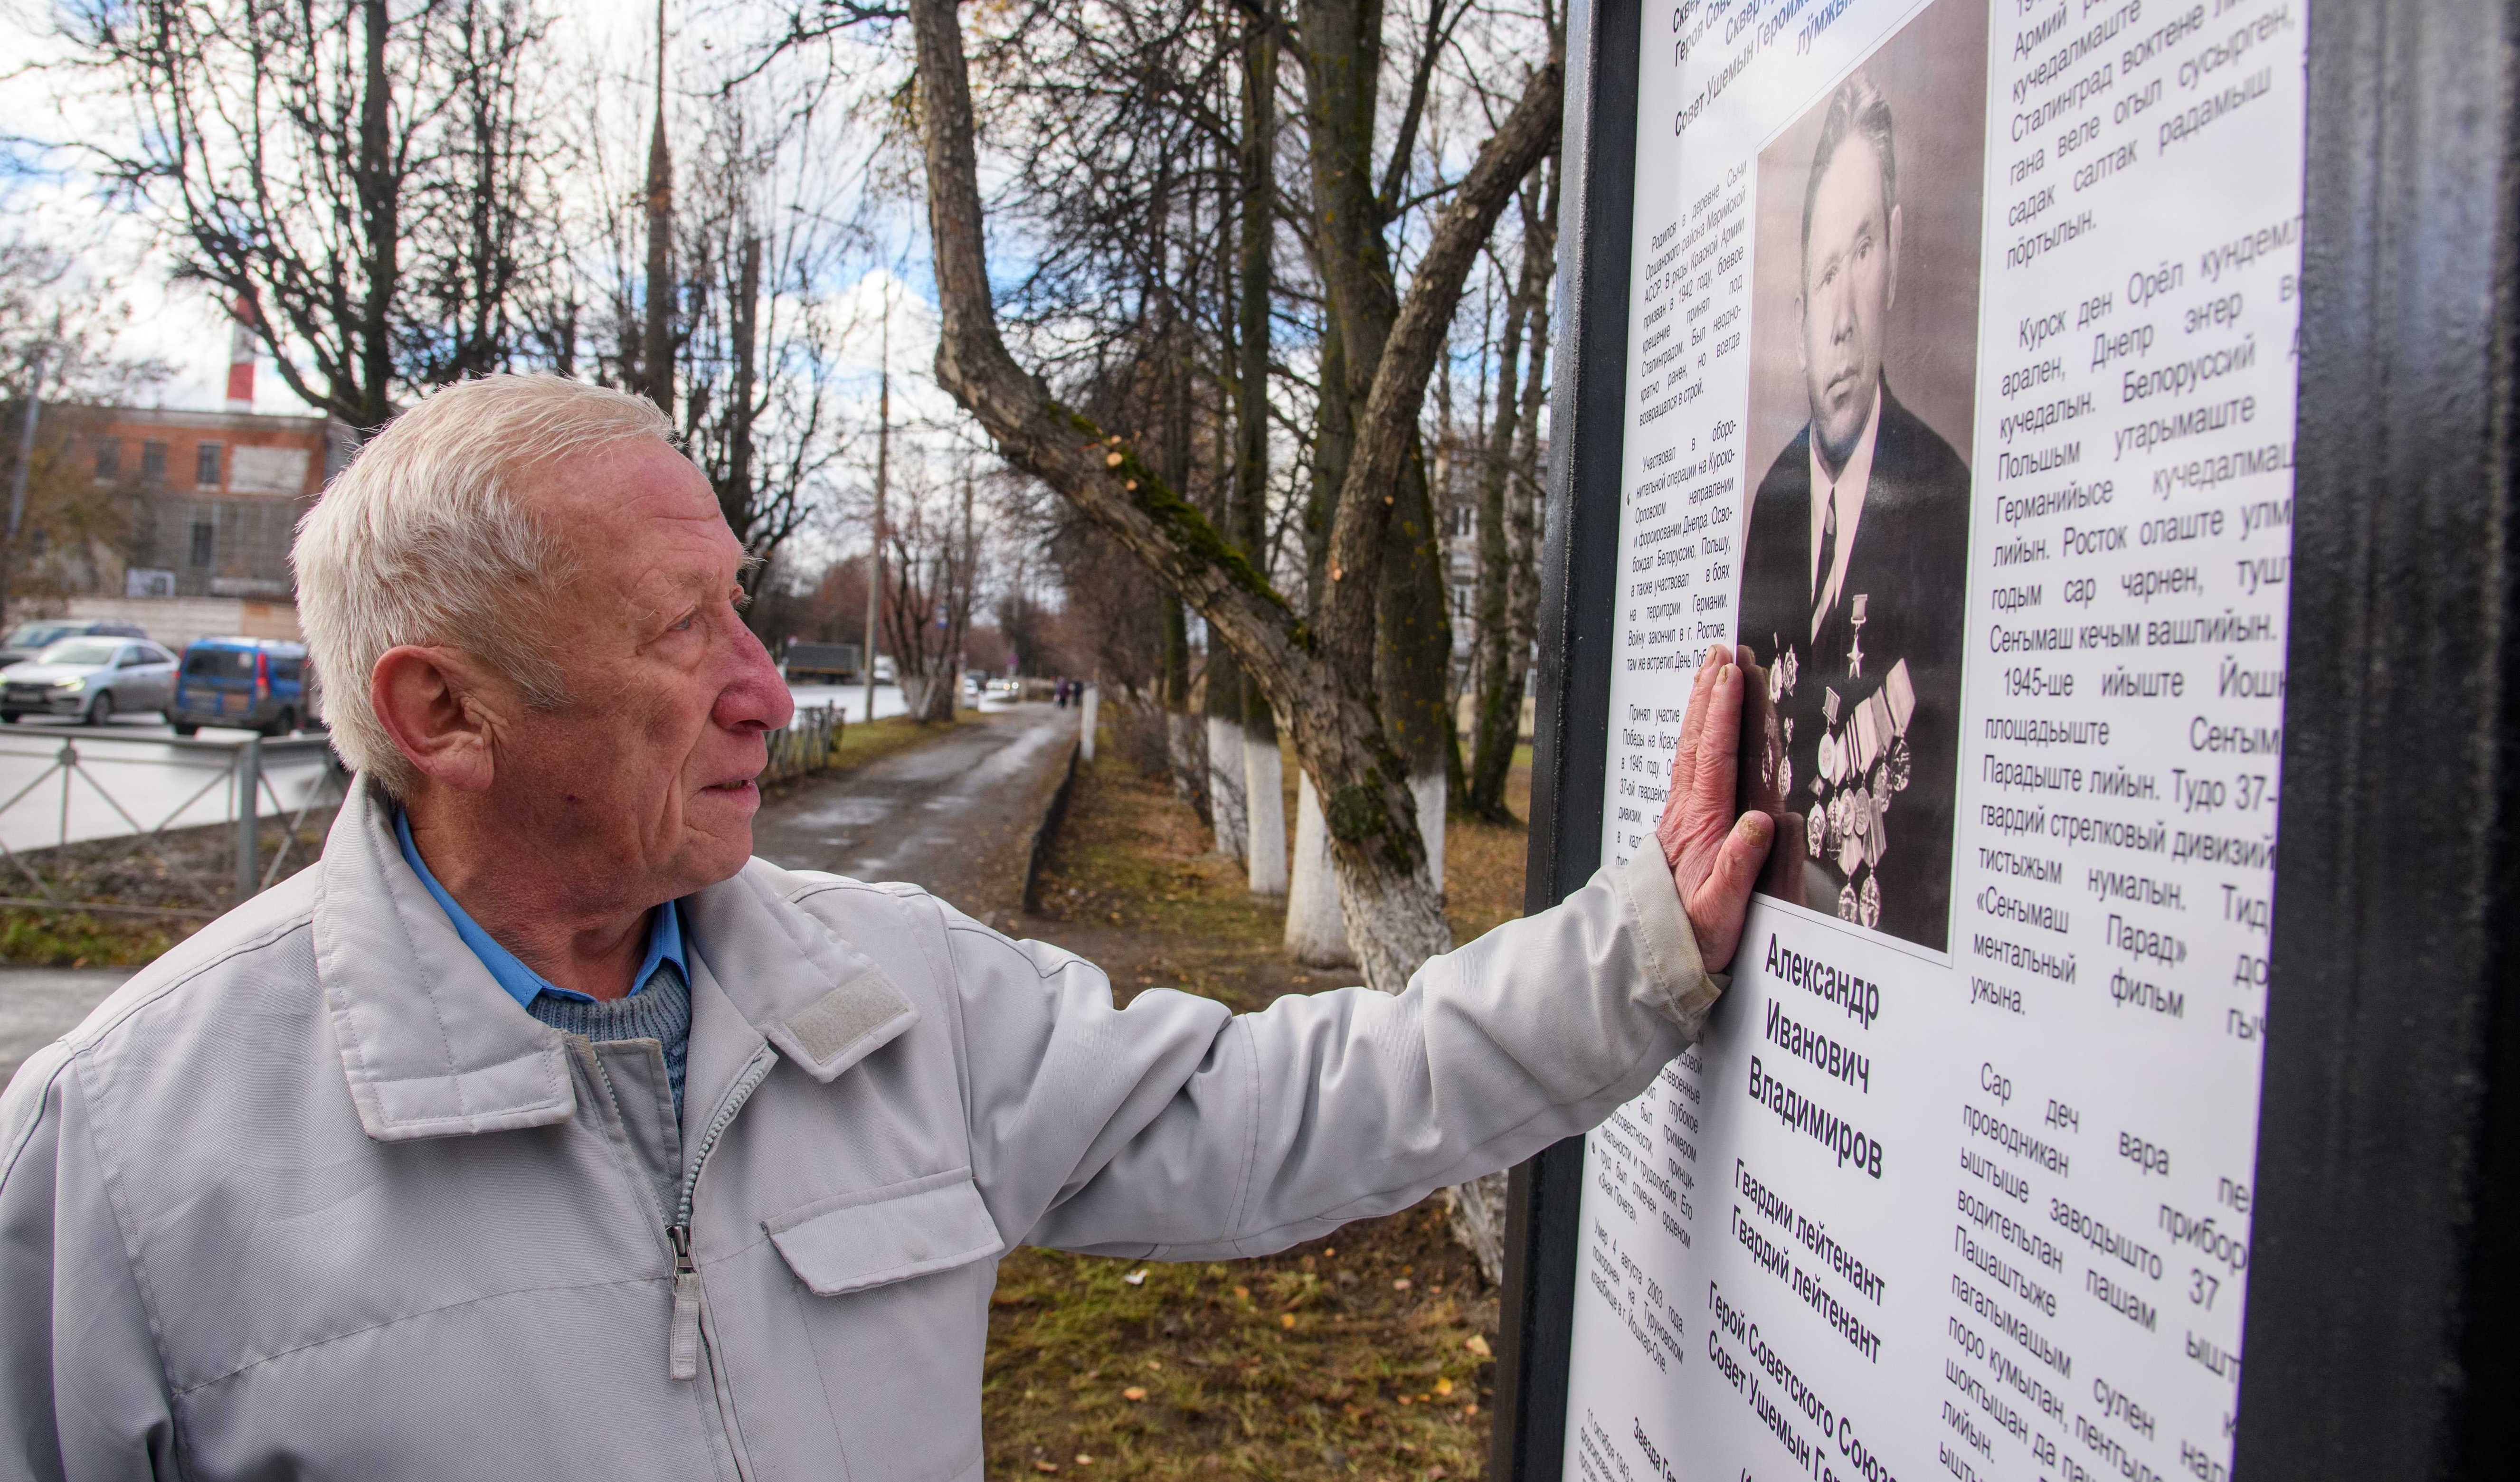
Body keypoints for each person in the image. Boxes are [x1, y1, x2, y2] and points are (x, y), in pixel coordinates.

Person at [0, 375, 1772, 1479]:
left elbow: (1264, 1113)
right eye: (681, 632)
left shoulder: (883, 989)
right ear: (445, 714)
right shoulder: (122, 1164)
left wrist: (1638, 951)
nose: (768, 691)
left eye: (743, 614)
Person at [1737, 71, 1970, 949]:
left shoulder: (1947, 506)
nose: (1840, 316)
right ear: (1798, 311)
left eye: (1862, 251)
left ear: (1896, 257)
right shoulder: (1772, 506)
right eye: (1823, 271)